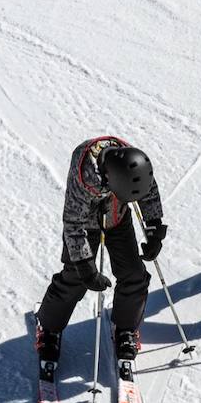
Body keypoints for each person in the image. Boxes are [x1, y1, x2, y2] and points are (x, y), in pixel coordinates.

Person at [34, 137, 167, 380]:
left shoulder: (133, 162)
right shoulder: (85, 175)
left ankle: (125, 328)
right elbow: (73, 223)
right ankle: (48, 327)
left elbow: (147, 190)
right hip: (86, 225)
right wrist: (86, 267)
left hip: (117, 219)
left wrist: (154, 226)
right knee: (74, 278)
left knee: (135, 275)